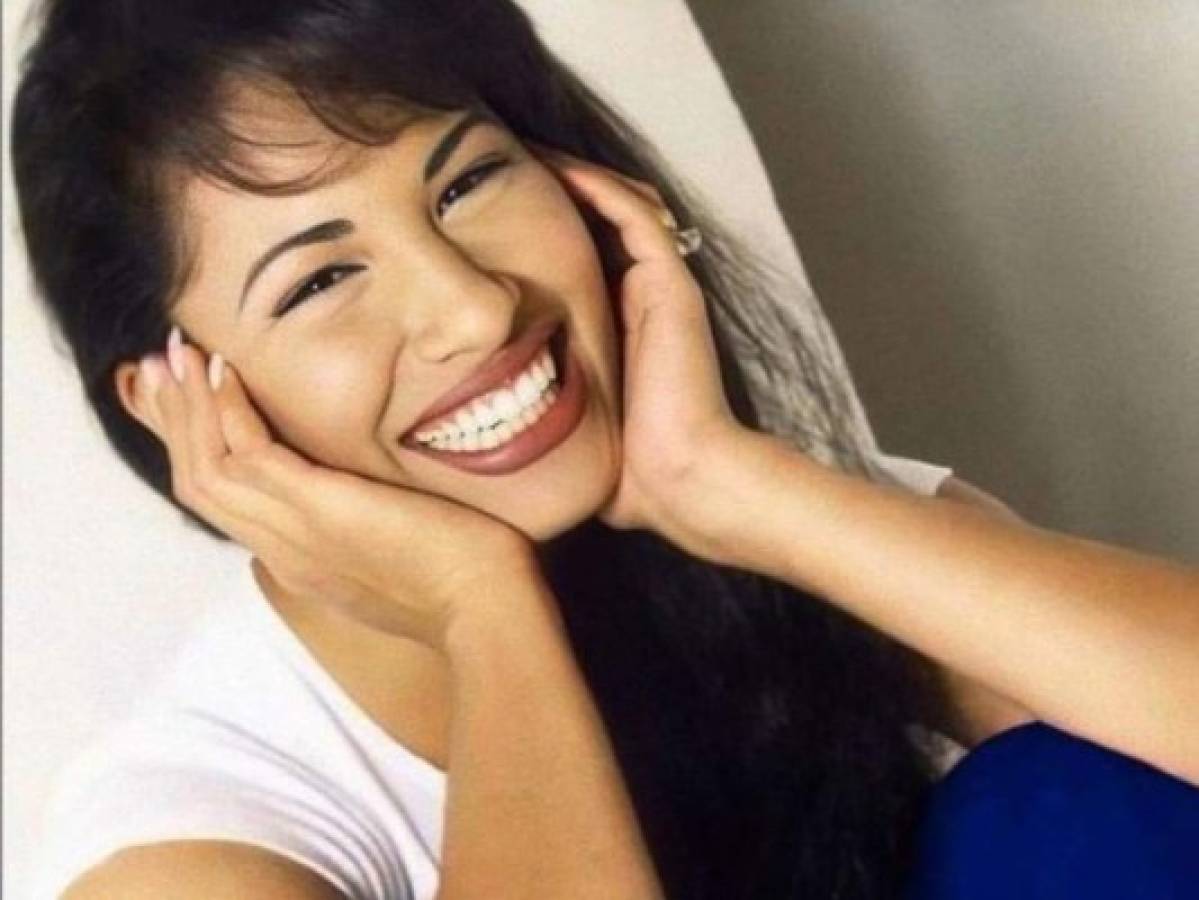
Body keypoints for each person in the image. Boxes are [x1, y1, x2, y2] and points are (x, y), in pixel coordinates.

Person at [12, 1, 1198, 898]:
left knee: (1066, 795)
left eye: (468, 181)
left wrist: (725, 486)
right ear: (176, 398)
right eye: (320, 280)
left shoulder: (784, 533)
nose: (472, 308)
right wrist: (485, 611)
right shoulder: (186, 843)